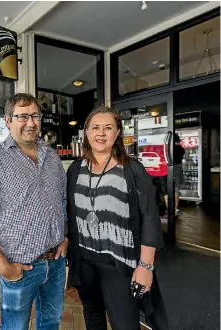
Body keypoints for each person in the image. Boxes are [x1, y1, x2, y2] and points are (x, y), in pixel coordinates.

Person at [0, 93, 68, 330]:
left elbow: (61, 202)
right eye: (22, 116)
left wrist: (65, 237)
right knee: (14, 327)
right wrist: (4, 268)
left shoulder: (51, 157)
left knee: (51, 323)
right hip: (20, 268)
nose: (30, 123)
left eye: (35, 116)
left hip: (56, 263)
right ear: (8, 121)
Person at [66, 105, 168, 330]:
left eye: (108, 128)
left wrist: (145, 267)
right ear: (86, 133)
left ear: (118, 133)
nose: (100, 133)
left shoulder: (132, 170)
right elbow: (69, 213)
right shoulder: (75, 169)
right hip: (84, 261)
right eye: (95, 127)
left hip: (120, 263)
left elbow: (150, 219)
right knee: (92, 317)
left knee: (124, 323)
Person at [161, 133, 185, 219]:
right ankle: (175, 210)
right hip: (178, 169)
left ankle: (172, 210)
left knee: (172, 190)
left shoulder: (172, 148)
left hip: (172, 169)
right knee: (176, 190)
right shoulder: (181, 148)